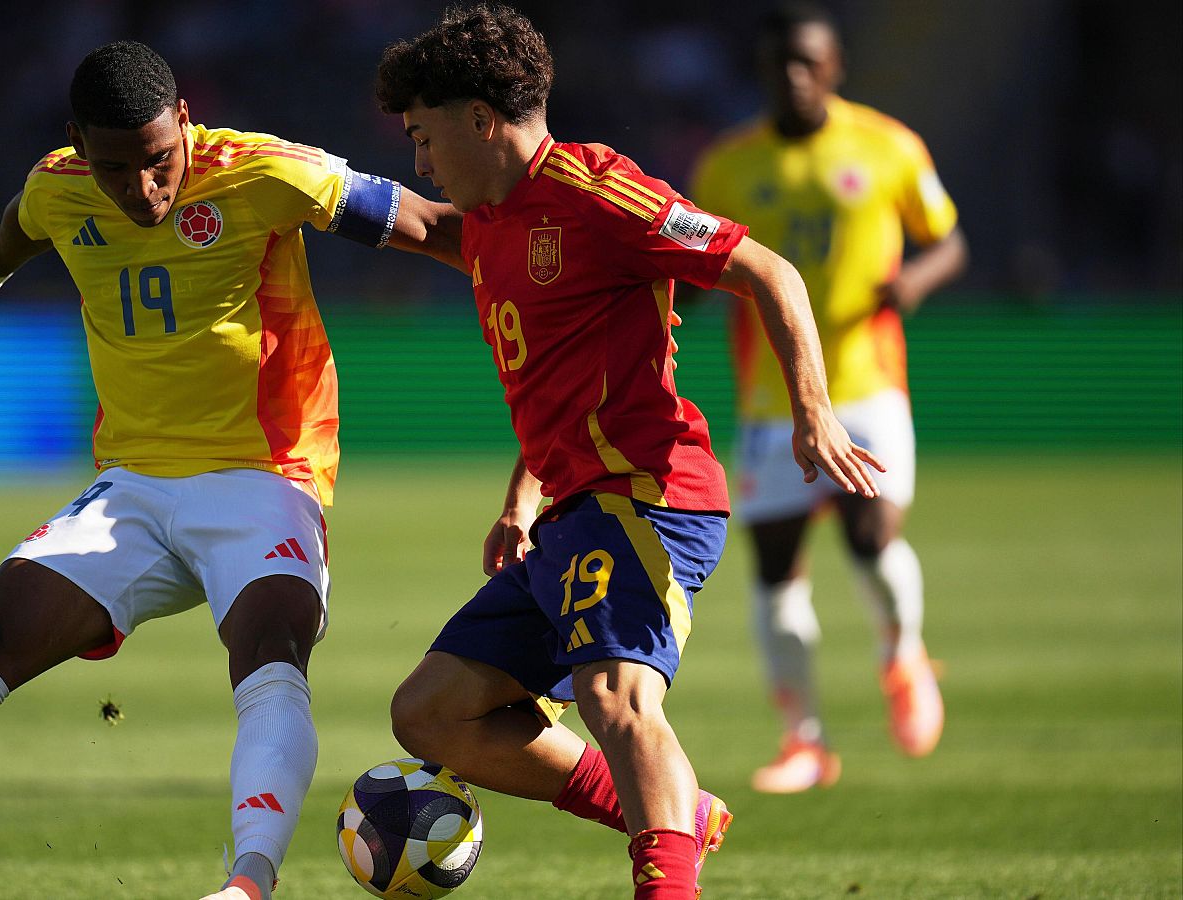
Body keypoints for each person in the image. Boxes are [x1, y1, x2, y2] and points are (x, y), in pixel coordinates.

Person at [0, 40, 461, 900]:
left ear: (185, 123)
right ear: (79, 146)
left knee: (270, 651)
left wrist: (547, 273)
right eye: (115, 169)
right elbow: (25, 217)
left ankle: (247, 887)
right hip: (132, 487)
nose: (143, 189)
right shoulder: (60, 186)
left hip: (267, 476)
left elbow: (433, 227)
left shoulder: (266, 173)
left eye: (159, 161)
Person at [375, 6, 883, 898]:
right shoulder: (490, 221)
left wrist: (814, 412)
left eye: (423, 137)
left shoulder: (598, 191)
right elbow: (558, 381)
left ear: (481, 121)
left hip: (650, 494)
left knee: (615, 698)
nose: (420, 163)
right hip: (571, 512)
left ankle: (666, 880)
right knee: (429, 713)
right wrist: (521, 500)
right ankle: (676, 810)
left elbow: (769, 270)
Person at [689, 2, 968, 793]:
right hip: (770, 403)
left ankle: (903, 655)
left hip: (866, 385)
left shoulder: (888, 146)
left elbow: (949, 239)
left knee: (870, 536)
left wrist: (914, 281)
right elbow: (698, 266)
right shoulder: (727, 167)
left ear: (835, 67)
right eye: (780, 63)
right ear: (762, 72)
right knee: (777, 568)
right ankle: (804, 740)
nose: (794, 76)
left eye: (809, 62)